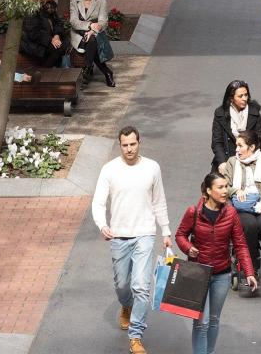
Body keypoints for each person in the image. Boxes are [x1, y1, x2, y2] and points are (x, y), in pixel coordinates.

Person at [91, 127, 172, 354]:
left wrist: (165, 231)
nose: (129, 149)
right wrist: (102, 224)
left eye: (133, 144)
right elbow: (98, 202)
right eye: (125, 145)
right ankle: (126, 305)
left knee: (141, 287)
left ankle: (135, 336)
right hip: (118, 235)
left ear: (139, 143)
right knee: (122, 285)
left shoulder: (152, 168)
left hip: (145, 233)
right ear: (120, 145)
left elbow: (159, 201)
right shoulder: (109, 170)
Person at [175, 171, 257, 354]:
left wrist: (249, 272)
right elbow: (180, 235)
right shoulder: (193, 212)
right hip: (199, 274)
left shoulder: (231, 213)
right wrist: (188, 248)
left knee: (213, 319)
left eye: (226, 186)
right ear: (209, 191)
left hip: (222, 274)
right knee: (200, 322)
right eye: (220, 187)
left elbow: (241, 245)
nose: (225, 191)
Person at [220, 129, 261, 285]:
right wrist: (236, 190)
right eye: (236, 146)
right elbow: (223, 185)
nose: (237, 150)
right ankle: (252, 269)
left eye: (240, 146)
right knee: (250, 225)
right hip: (241, 207)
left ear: (252, 147)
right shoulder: (232, 163)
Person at [70, 0, 115, 87]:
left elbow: (103, 21)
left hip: (95, 33)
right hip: (78, 34)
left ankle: (87, 67)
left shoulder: (101, 0)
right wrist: (90, 25)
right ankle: (106, 72)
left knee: (92, 40)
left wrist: (92, 31)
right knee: (92, 42)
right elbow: (74, 22)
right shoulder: (75, 1)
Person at [211, 80, 261, 168]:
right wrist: (222, 162)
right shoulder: (220, 113)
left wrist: (251, 157)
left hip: (250, 159)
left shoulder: (254, 112)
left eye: (246, 95)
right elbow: (217, 142)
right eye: (240, 96)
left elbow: (260, 138)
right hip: (227, 160)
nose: (244, 98)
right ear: (231, 98)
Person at [21, 0, 67, 68]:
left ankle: (53, 71)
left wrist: (56, 35)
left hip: (49, 39)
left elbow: (58, 23)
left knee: (63, 44)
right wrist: (51, 39)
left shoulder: (50, 9)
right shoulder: (32, 10)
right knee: (57, 48)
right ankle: (44, 71)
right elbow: (33, 33)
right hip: (33, 43)